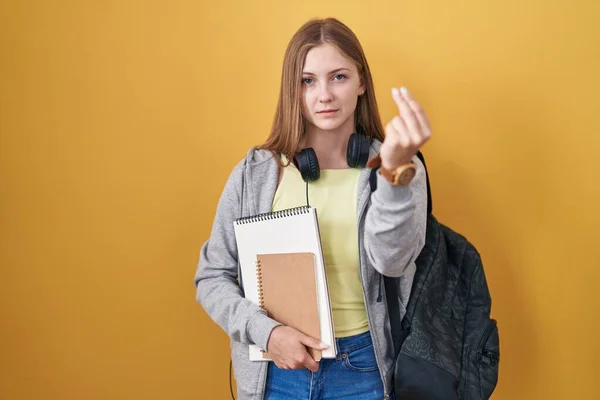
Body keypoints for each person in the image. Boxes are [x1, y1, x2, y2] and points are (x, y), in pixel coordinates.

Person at [195, 17, 432, 400]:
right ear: (294, 89)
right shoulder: (255, 173)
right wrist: (267, 333)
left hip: (365, 369)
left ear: (361, 83)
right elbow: (212, 276)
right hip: (276, 372)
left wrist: (392, 176)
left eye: (338, 77)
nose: (324, 95)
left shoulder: (397, 167)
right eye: (308, 80)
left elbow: (393, 261)